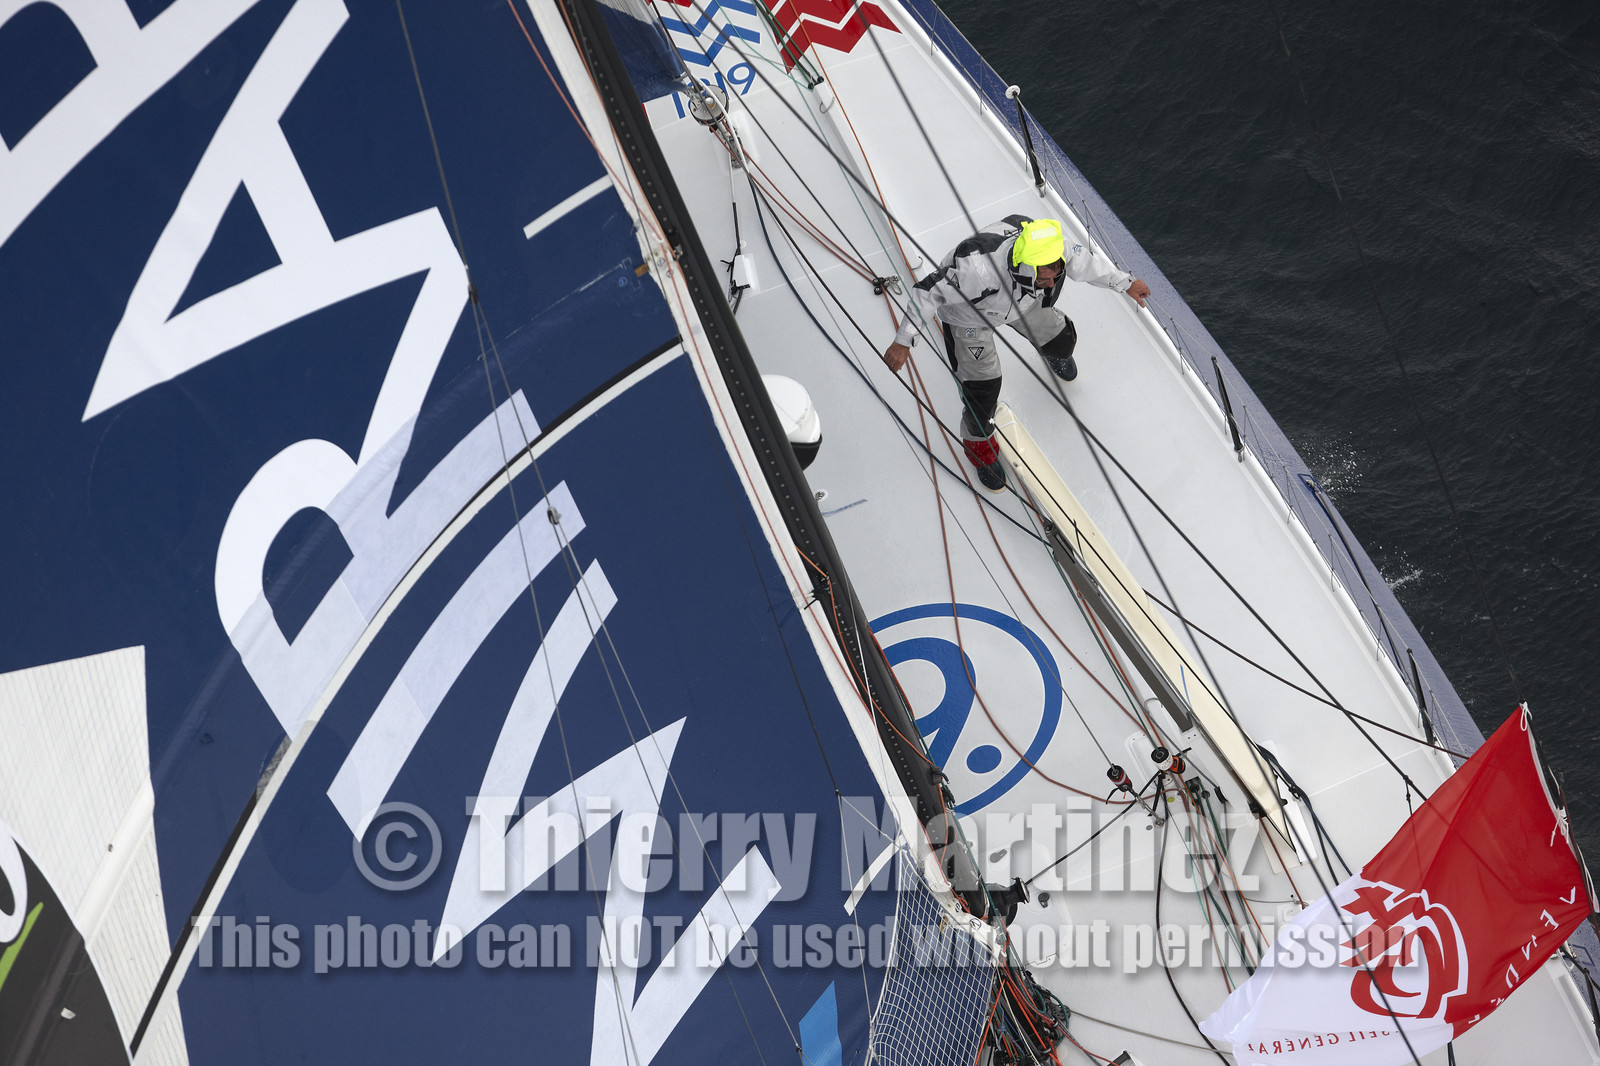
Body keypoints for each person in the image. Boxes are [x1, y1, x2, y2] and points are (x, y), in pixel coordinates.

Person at [881, 216, 1150, 491]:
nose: (1051, 282)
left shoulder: (1052, 249)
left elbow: (1086, 264)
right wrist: (903, 341)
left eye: (1055, 275)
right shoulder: (975, 271)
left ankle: (1054, 352)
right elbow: (928, 293)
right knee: (983, 391)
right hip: (970, 318)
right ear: (1024, 267)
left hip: (1024, 300)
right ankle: (979, 449)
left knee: (1062, 340)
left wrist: (1126, 283)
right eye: (1045, 277)